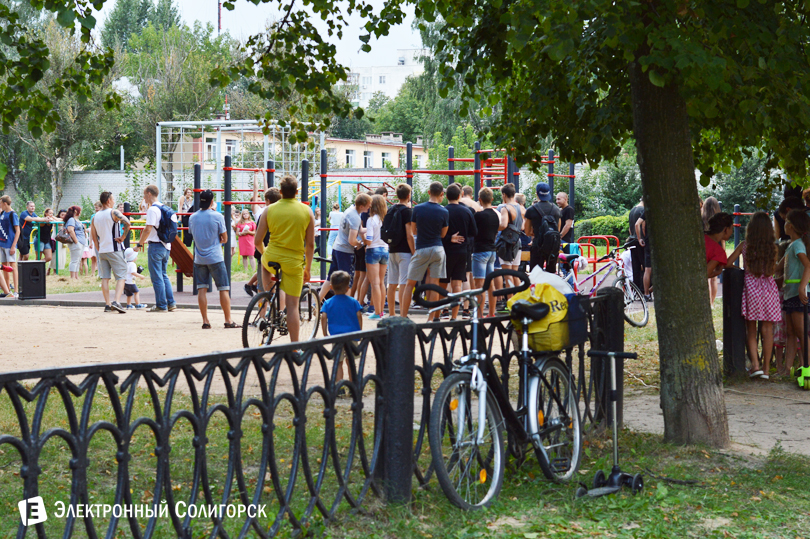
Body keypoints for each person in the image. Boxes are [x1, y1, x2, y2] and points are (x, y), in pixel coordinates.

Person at [255, 175, 316, 343]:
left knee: (265, 263)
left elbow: (257, 241)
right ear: (297, 192)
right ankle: (295, 346)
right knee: (293, 306)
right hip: (293, 261)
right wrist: (308, 269)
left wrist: (264, 252)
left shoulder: (269, 210)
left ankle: (268, 293)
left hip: (272, 255)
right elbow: (310, 244)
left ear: (280, 192)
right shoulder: (306, 211)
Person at [727, 212, 779, 379]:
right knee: (767, 329)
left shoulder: (745, 245)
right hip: (769, 289)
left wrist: (740, 271)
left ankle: (755, 366)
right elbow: (775, 268)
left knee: (751, 328)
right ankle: (766, 370)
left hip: (751, 288)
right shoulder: (773, 247)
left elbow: (728, 263)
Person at [189, 189, 240, 329]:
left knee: (202, 289)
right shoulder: (218, 216)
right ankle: (228, 320)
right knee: (223, 288)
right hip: (215, 257)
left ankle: (205, 321)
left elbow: (192, 235)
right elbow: (225, 238)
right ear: (212, 202)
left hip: (199, 258)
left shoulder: (192, 217)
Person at [401, 182, 449, 319]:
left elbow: (414, 230)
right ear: (441, 194)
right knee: (434, 284)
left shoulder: (418, 209)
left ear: (428, 192)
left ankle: (404, 316)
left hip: (422, 248)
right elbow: (443, 234)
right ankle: (431, 317)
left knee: (410, 283)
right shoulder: (444, 211)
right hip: (438, 249)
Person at [319, 193, 371, 302]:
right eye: (368, 205)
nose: (369, 207)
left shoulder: (350, 210)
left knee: (330, 278)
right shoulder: (355, 217)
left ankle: (317, 302)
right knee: (347, 281)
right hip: (345, 252)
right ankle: (345, 307)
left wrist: (373, 228)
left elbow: (360, 230)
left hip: (337, 247)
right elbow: (352, 241)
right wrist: (360, 244)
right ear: (362, 206)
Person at [134, 184, 177, 313]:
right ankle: (171, 303)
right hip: (166, 246)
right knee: (164, 275)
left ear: (149, 194)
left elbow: (148, 229)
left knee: (157, 277)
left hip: (156, 245)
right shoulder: (166, 208)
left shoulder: (152, 210)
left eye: (144, 194)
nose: (143, 197)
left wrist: (139, 244)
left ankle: (161, 305)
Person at [778, 209, 810, 378]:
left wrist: (802, 286)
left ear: (790, 225)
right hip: (790, 294)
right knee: (791, 333)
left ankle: (808, 368)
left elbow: (808, 265)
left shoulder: (798, 245)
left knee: (802, 332)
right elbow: (780, 267)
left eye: (785, 222)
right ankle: (787, 369)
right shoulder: (792, 245)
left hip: (798, 295)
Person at [90, 192, 131, 313]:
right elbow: (127, 223)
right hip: (115, 248)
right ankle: (116, 301)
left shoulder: (95, 216)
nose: (114, 201)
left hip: (102, 250)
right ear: (108, 201)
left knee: (105, 277)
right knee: (121, 275)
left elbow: (93, 234)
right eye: (113, 199)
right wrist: (123, 237)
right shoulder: (113, 212)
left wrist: (98, 248)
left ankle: (107, 304)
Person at [319, 270, 363, 383]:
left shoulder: (328, 303)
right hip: (352, 335)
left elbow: (323, 317)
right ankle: (354, 385)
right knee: (351, 361)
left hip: (336, 337)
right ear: (348, 287)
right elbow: (359, 315)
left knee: (338, 362)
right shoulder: (353, 302)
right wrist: (360, 331)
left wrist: (325, 333)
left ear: (331, 287)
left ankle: (340, 386)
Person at [441, 183, 476, 319]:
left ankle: (443, 310)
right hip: (462, 251)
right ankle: (455, 316)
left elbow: (439, 232)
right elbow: (474, 231)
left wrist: (450, 238)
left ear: (446, 196)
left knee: (443, 283)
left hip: (446, 251)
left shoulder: (443, 210)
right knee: (457, 284)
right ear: (460, 195)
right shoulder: (467, 211)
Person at [473, 187, 505, 317]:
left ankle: (479, 314)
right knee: (490, 282)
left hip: (480, 251)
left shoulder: (478, 215)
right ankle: (491, 313)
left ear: (479, 200)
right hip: (492, 251)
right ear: (492, 199)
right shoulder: (496, 215)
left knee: (479, 284)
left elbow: (473, 232)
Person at [385, 183, 415, 317]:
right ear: (408, 196)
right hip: (404, 251)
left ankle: (391, 314)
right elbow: (409, 235)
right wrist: (414, 252)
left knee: (391, 283)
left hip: (392, 249)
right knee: (404, 282)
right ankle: (403, 313)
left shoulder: (391, 209)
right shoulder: (407, 211)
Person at [246, 187, 281, 296]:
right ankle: (275, 309)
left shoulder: (264, 213)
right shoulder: (260, 212)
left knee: (264, 286)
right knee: (278, 287)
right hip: (278, 252)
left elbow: (258, 240)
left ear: (267, 201)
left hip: (265, 251)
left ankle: (265, 311)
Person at [524, 182, 561, 273]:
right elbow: (558, 230)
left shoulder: (531, 210)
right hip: (553, 246)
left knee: (536, 275)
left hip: (537, 245)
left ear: (537, 194)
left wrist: (537, 233)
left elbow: (527, 231)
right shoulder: (556, 209)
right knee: (551, 274)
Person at [363, 195, 389, 320]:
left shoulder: (371, 220)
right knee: (382, 282)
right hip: (385, 250)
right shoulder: (386, 220)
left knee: (375, 284)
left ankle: (377, 312)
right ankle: (382, 311)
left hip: (373, 250)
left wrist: (361, 237)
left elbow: (369, 240)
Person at [704, 212, 734, 305]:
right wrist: (716, 273)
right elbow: (706, 273)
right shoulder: (719, 252)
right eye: (731, 229)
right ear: (725, 229)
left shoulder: (699, 237)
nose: (732, 232)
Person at [498, 184, 523, 289]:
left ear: (504, 195)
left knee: (508, 275)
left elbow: (503, 225)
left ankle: (510, 303)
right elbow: (522, 227)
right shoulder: (521, 208)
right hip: (518, 242)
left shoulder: (505, 208)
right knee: (515, 274)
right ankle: (520, 301)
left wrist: (493, 226)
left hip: (507, 243)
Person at [0, 195, 21, 297]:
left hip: (9, 244)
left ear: (4, 203)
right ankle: (7, 290)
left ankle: (16, 290)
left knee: (13, 266)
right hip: (2, 244)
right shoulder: (3, 213)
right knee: (4, 267)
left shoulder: (13, 214)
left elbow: (18, 230)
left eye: (0, 203)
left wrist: (13, 246)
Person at [64, 205, 86, 281]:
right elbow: (70, 230)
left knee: (78, 260)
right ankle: (72, 277)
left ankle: (76, 276)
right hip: (76, 242)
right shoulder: (71, 220)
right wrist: (76, 241)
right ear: (76, 211)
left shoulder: (77, 220)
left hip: (81, 242)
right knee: (74, 260)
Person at [627, 200, 646, 292]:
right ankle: (643, 289)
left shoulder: (632, 210)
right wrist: (641, 238)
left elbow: (630, 229)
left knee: (636, 266)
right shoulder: (643, 210)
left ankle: (636, 290)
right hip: (640, 240)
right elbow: (642, 226)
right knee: (645, 266)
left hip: (632, 240)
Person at [635, 211, 653, 301]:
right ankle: (651, 290)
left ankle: (646, 293)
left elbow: (637, 224)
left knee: (647, 269)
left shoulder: (648, 211)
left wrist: (640, 239)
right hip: (659, 243)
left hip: (649, 242)